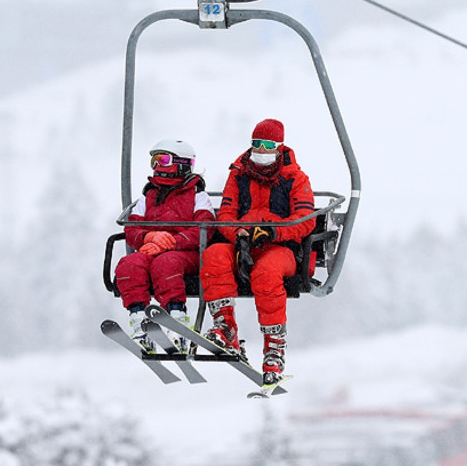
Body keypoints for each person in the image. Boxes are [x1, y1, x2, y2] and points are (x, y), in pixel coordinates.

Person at [200, 118, 316, 387]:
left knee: (267, 272)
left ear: (279, 147)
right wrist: (237, 232)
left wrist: (274, 231)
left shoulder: (295, 178)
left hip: (279, 247)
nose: (261, 151)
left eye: (267, 145)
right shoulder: (238, 174)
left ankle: (274, 349)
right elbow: (227, 213)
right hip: (243, 243)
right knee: (216, 255)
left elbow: (305, 219)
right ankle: (225, 327)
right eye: (256, 145)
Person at [115, 138, 215, 352]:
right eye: (155, 160)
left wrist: (172, 242)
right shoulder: (149, 195)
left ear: (182, 163)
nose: (158, 166)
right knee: (129, 264)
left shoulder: (197, 195)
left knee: (166, 263)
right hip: (151, 250)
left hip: (186, 255)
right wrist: (148, 238)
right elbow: (132, 229)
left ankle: (177, 319)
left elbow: (204, 229)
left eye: (164, 159)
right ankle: (139, 319)